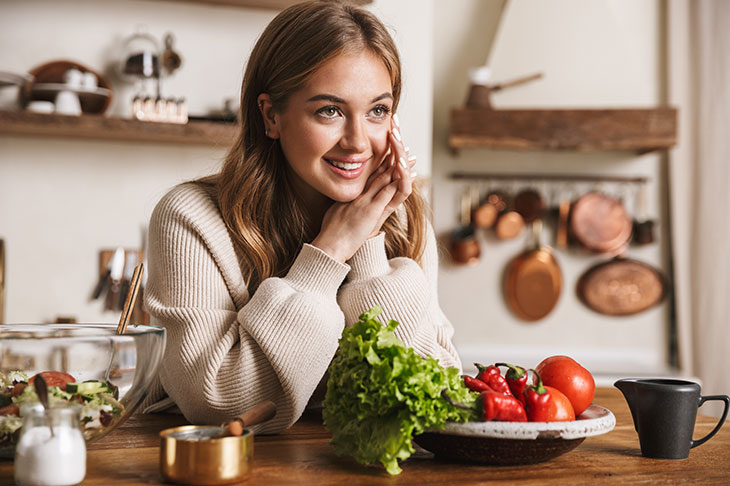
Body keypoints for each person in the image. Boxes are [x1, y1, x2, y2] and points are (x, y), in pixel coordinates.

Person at [141, 0, 462, 433]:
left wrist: (366, 240)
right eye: (329, 110)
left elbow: (432, 391)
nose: (358, 142)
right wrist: (328, 254)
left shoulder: (403, 219)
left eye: (377, 111)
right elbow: (216, 403)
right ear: (272, 115)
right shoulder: (190, 217)